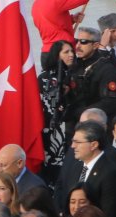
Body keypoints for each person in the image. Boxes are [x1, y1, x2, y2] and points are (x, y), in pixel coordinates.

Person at [64, 121, 116, 217]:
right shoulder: (76, 167)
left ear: (94, 145)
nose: (73, 146)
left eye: (77, 142)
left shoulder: (110, 173)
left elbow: (108, 215)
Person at [38, 40, 74, 183]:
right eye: (66, 52)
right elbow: (52, 104)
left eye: (72, 51)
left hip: (71, 128)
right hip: (52, 130)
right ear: (57, 55)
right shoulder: (45, 78)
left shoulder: (75, 74)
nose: (71, 55)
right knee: (53, 169)